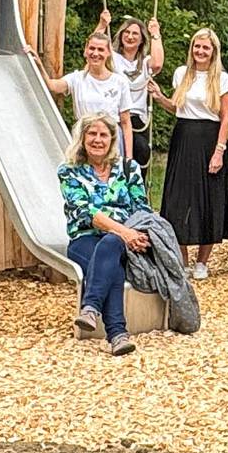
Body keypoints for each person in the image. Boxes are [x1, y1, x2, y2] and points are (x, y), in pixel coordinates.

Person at [58, 114, 149, 357]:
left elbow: (141, 208)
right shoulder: (69, 171)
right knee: (112, 263)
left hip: (122, 239)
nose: (97, 139)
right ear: (82, 138)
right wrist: (124, 232)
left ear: (112, 139)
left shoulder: (129, 169)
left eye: (103, 134)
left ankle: (91, 308)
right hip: (84, 238)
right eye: (92, 134)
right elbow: (87, 213)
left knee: (111, 243)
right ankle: (117, 334)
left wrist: (131, 234)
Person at [151, 27, 228, 280]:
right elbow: (177, 108)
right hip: (184, 138)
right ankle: (183, 259)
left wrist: (219, 151)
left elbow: (225, 117)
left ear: (213, 51)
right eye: (197, 46)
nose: (200, 51)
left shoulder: (221, 78)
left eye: (205, 47)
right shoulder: (181, 74)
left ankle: (203, 261)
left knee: (208, 198)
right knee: (179, 199)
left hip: (209, 140)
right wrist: (159, 97)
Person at [48, 32, 134, 158]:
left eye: (100, 49)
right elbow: (53, 86)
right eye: (92, 48)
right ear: (85, 51)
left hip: (110, 138)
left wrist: (129, 158)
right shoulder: (77, 78)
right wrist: (37, 63)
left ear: (108, 53)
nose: (95, 53)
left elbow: (126, 122)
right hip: (85, 136)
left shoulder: (120, 82)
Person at [109, 16, 164, 171]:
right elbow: (95, 48)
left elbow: (158, 63)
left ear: (141, 40)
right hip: (115, 117)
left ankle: (138, 189)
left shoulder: (145, 62)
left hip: (136, 118)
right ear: (121, 35)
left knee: (141, 149)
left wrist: (155, 33)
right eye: (126, 32)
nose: (130, 36)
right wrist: (102, 25)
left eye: (135, 34)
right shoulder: (113, 59)